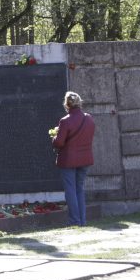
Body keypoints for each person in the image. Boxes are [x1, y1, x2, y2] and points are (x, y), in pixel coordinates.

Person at [51, 92, 96, 226]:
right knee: (79, 189)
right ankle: (82, 220)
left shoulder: (65, 121)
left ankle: (74, 221)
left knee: (70, 190)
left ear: (67, 104)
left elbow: (59, 142)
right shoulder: (89, 118)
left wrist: (54, 137)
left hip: (69, 160)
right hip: (85, 159)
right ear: (79, 102)